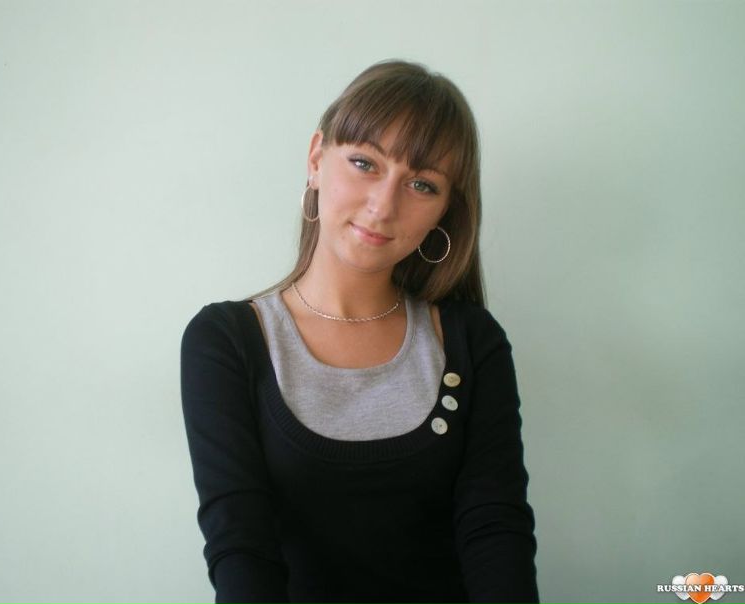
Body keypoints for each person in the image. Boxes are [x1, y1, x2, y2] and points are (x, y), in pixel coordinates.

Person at [180, 58, 540, 604]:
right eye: (364, 163)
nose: (383, 205)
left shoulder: (471, 339)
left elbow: (496, 530)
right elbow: (241, 548)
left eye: (421, 184)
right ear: (315, 160)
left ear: (445, 211)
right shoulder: (226, 341)